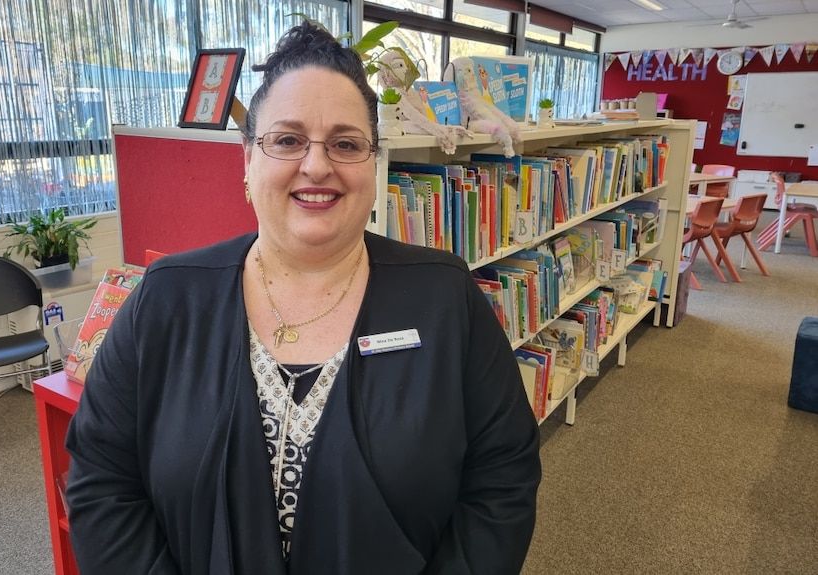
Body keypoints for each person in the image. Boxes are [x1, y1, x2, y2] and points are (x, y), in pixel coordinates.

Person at [65, 20, 541, 575]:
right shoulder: (167, 298)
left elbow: (503, 477)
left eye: (345, 143)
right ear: (248, 160)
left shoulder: (445, 296)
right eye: (287, 140)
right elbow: (101, 479)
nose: (317, 165)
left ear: (372, 162)